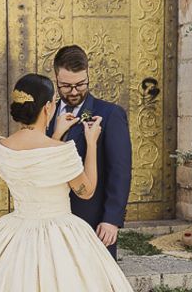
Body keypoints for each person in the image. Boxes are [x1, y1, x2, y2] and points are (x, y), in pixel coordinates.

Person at [0, 73, 134, 292]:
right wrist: (91, 143)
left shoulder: (1, 147)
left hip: (15, 230)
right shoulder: (61, 152)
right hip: (58, 232)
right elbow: (86, 190)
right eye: (54, 101)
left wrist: (56, 133)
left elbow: (36, 167)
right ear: (47, 107)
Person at [48, 45, 132, 259]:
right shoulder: (46, 114)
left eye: (80, 84)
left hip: (92, 222)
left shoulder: (110, 114)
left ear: (87, 75)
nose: (74, 91)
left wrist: (112, 219)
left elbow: (119, 172)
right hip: (50, 225)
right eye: (66, 86)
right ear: (56, 78)